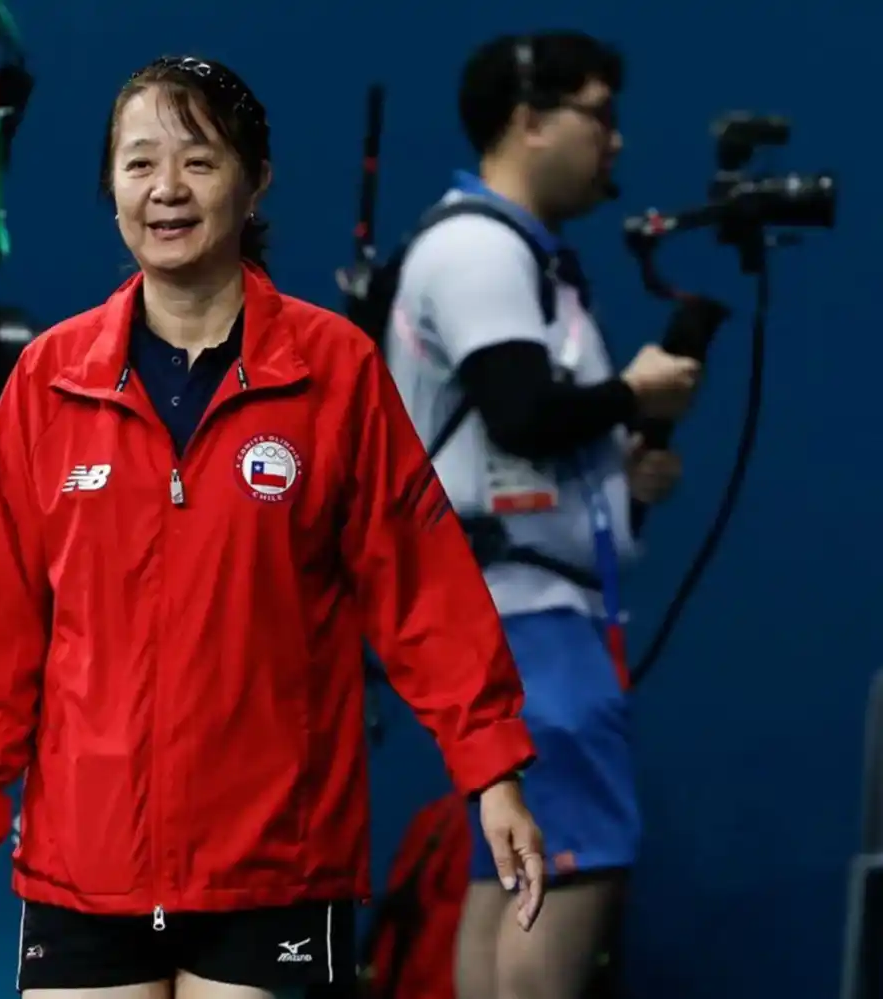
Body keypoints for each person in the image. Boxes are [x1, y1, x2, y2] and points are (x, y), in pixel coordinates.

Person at [0, 55, 545, 999]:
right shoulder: (49, 381)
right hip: (86, 859)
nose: (166, 189)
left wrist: (492, 770)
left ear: (255, 181)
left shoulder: (333, 371)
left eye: (199, 160)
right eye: (139, 163)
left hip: (275, 859)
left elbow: (424, 590)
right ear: (110, 187)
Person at [384, 33, 700, 999]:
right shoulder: (478, 246)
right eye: (598, 115)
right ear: (528, 121)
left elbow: (520, 435)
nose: (615, 140)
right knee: (569, 862)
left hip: (516, 613)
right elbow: (521, 408)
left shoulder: (517, 256)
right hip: (524, 619)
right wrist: (633, 392)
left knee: (513, 867)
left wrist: (617, 474)